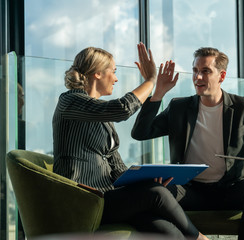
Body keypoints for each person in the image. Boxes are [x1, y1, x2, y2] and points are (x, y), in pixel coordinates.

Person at [52, 43, 208, 240]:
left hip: (108, 196)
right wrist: (151, 80)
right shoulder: (70, 101)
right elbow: (122, 109)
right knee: (156, 194)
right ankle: (200, 238)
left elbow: (117, 168)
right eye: (113, 71)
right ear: (97, 73)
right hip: (85, 200)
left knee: (164, 229)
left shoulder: (101, 115)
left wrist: (146, 180)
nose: (116, 78)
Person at [131, 47, 244, 240]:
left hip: (232, 189)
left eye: (205, 71)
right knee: (152, 193)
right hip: (190, 190)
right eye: (195, 71)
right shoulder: (179, 107)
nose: (198, 77)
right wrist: (158, 93)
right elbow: (140, 133)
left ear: (221, 76)